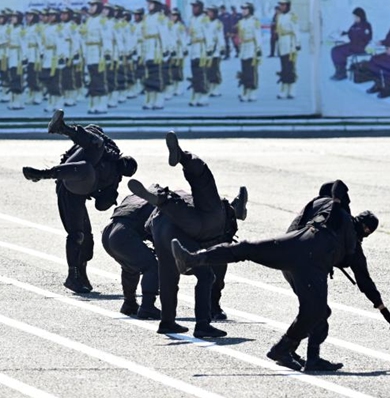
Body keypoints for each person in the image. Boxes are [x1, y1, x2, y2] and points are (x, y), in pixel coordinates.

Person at [171, 180, 390, 372]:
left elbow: (333, 186)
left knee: (248, 248)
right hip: (311, 266)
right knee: (318, 311)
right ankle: (290, 351)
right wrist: (385, 312)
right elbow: (365, 283)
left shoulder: (328, 208)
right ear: (367, 229)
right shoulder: (343, 221)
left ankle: (193, 258)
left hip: (292, 247)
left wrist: (337, 201)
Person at [127, 132, 247, 338]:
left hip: (163, 225)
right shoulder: (218, 211)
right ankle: (202, 324)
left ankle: (167, 321)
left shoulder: (178, 203)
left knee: (168, 276)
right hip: (204, 225)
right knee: (206, 274)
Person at [22, 110, 138, 293]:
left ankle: (77, 275)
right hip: (69, 177)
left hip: (78, 191)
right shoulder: (107, 150)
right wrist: (104, 147)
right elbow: (94, 132)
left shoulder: (113, 180)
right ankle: (54, 147)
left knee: (83, 239)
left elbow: (102, 206)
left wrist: (110, 194)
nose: (124, 164)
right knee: (94, 151)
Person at [102, 193, 161, 319]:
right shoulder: (159, 203)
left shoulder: (134, 197)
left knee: (130, 265)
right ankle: (147, 307)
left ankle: (129, 303)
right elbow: (156, 228)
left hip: (108, 233)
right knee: (152, 266)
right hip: (124, 234)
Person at [330, 7, 372, 81]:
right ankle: (339, 71)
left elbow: (367, 38)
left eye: (356, 17)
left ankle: (342, 73)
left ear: (360, 16)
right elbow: (350, 32)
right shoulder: (355, 25)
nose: (354, 19)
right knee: (334, 50)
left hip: (360, 47)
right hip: (352, 45)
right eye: (354, 17)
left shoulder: (366, 25)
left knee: (340, 51)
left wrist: (356, 39)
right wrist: (343, 34)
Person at [83, 0, 109, 114]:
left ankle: (102, 104)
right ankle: (93, 103)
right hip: (89, 53)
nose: (91, 7)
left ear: (98, 7)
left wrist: (107, 53)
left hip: (98, 53)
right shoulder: (89, 21)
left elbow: (106, 39)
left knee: (99, 79)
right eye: (90, 5)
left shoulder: (102, 21)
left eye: (93, 5)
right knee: (91, 80)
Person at [237, 2, 262, 102]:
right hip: (244, 47)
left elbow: (258, 36)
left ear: (250, 10)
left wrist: (258, 49)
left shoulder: (254, 21)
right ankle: (245, 90)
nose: (243, 11)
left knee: (252, 71)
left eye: (245, 9)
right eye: (242, 9)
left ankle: (253, 91)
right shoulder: (241, 22)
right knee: (245, 70)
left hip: (252, 46)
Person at [275, 0, 299, 99]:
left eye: (283, 5)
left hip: (290, 44)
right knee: (284, 67)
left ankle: (292, 89)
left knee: (290, 67)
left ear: (288, 5)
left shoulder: (292, 16)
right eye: (280, 4)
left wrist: (297, 43)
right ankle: (284, 88)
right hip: (282, 44)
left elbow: (296, 31)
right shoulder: (279, 16)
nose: (281, 6)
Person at [188, 0, 210, 107]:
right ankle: (196, 93)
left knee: (202, 73)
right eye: (193, 7)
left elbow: (209, 35)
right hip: (194, 48)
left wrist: (209, 49)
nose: (194, 9)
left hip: (202, 48)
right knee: (195, 73)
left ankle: (204, 94)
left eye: (196, 7)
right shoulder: (192, 19)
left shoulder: (204, 19)